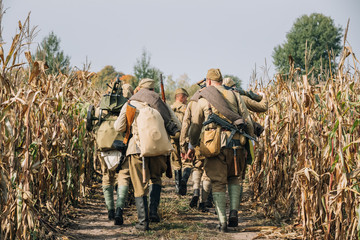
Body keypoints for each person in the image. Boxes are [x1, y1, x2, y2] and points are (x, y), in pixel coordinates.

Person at [186, 68, 258, 232]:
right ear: (221, 80)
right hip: (236, 144)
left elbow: (195, 126)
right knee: (234, 178)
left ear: (208, 81)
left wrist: (192, 145)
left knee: (218, 183)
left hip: (214, 146)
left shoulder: (204, 98)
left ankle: (222, 221)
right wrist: (248, 145)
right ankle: (233, 213)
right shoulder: (235, 95)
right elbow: (248, 121)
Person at [114, 78, 181, 231]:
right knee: (155, 178)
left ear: (140, 88)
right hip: (158, 149)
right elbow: (178, 126)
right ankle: (153, 213)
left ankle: (143, 223)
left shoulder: (130, 102)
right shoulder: (161, 103)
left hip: (136, 149)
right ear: (153, 89)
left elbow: (119, 127)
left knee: (139, 185)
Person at [179, 80, 212, 211]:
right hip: (211, 139)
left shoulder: (192, 102)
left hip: (196, 139)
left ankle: (195, 192)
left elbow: (186, 123)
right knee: (208, 171)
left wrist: (184, 144)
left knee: (197, 167)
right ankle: (204, 201)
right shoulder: (215, 100)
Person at [170, 88, 192, 195]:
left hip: (172, 139)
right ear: (181, 97)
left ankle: (178, 189)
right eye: (186, 97)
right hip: (185, 140)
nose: (187, 100)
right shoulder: (186, 108)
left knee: (176, 163)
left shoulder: (169, 108)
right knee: (187, 163)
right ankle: (184, 182)